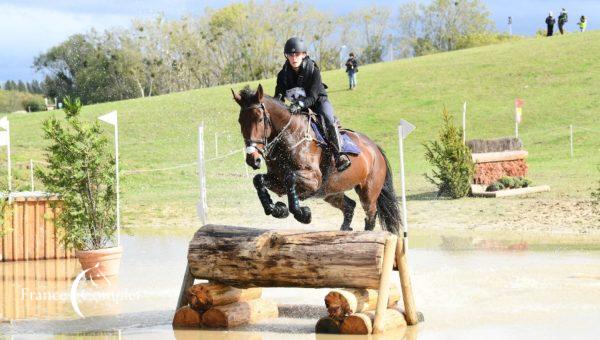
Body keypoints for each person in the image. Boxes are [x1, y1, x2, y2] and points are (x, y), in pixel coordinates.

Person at [274, 37, 351, 172]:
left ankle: (339, 155)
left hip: (318, 102)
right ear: (286, 56)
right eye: (290, 55)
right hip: (297, 106)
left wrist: (299, 105)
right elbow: (278, 96)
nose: (294, 58)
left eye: (297, 54)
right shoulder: (282, 75)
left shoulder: (313, 70)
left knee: (328, 118)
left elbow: (313, 97)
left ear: (304, 54)